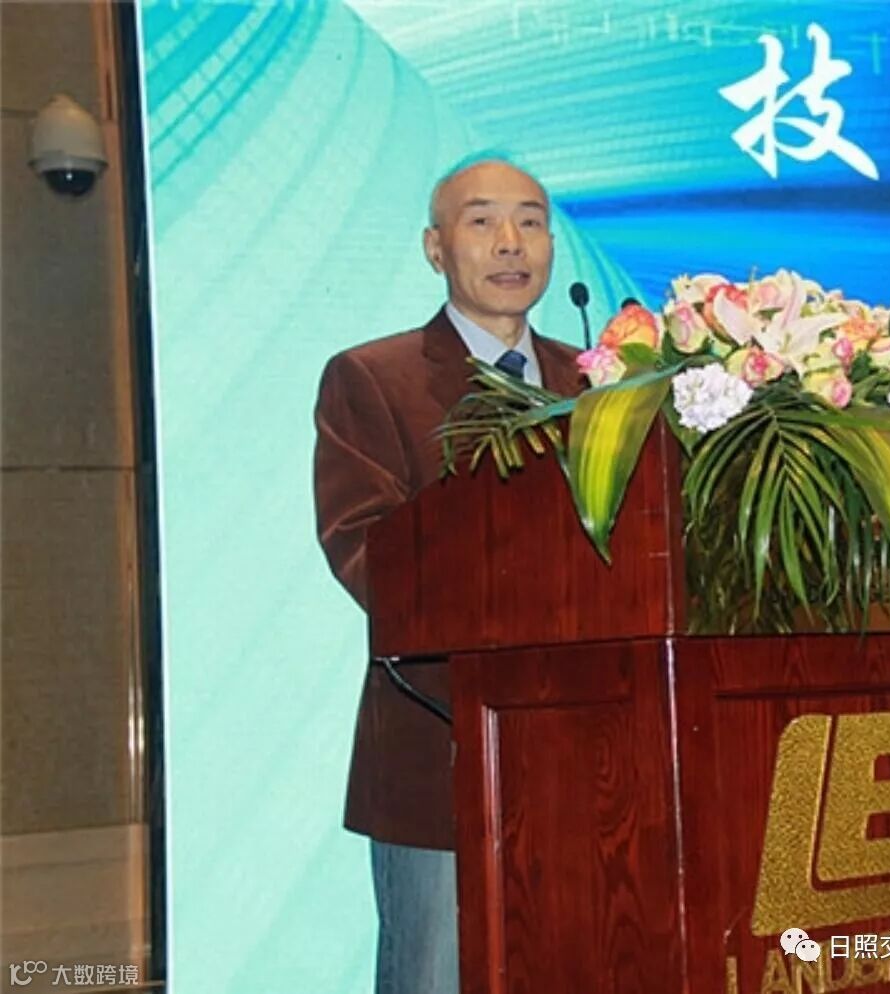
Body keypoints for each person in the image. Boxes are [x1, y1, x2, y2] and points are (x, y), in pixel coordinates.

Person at [312, 158, 584, 994]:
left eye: (531, 221)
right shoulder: (373, 378)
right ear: (436, 248)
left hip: (590, 755)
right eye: (482, 220)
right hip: (440, 749)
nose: (511, 242)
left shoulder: (601, 383)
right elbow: (363, 547)